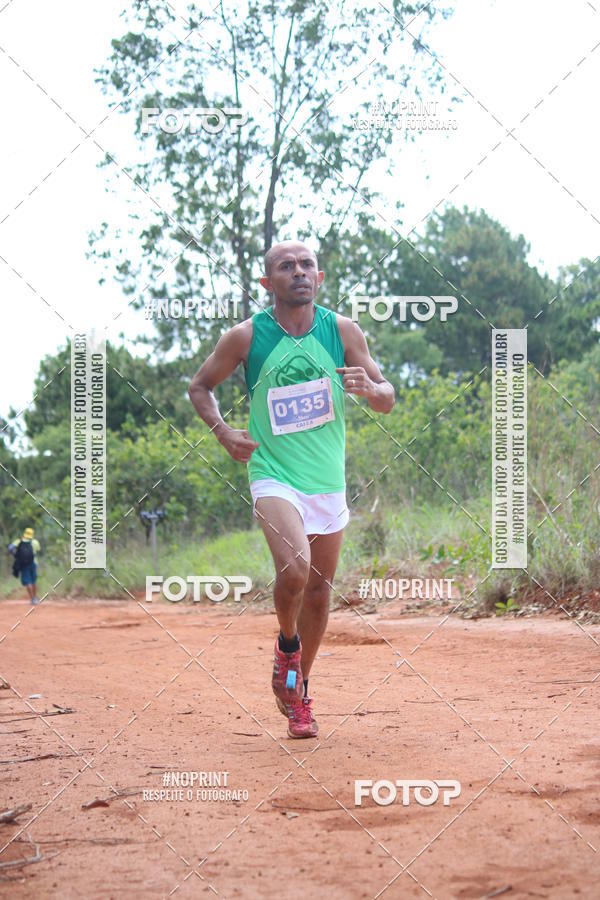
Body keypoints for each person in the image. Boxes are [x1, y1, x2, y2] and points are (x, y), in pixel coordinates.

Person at [188, 240, 395, 737]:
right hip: (272, 474)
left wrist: (371, 390)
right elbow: (200, 386)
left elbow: (387, 395)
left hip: (327, 481)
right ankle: (287, 644)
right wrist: (223, 431)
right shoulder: (246, 336)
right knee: (295, 568)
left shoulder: (342, 330)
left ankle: (298, 690)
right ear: (268, 282)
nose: (298, 272)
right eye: (286, 266)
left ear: (318, 278)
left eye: (307, 265)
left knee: (319, 594)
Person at [12, 527, 41, 605]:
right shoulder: (35, 542)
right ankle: (35, 597)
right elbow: (38, 551)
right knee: (33, 580)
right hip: (34, 563)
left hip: (24, 564)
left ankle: (32, 598)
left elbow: (10, 548)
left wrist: (16, 555)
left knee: (27, 581)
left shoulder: (19, 541)